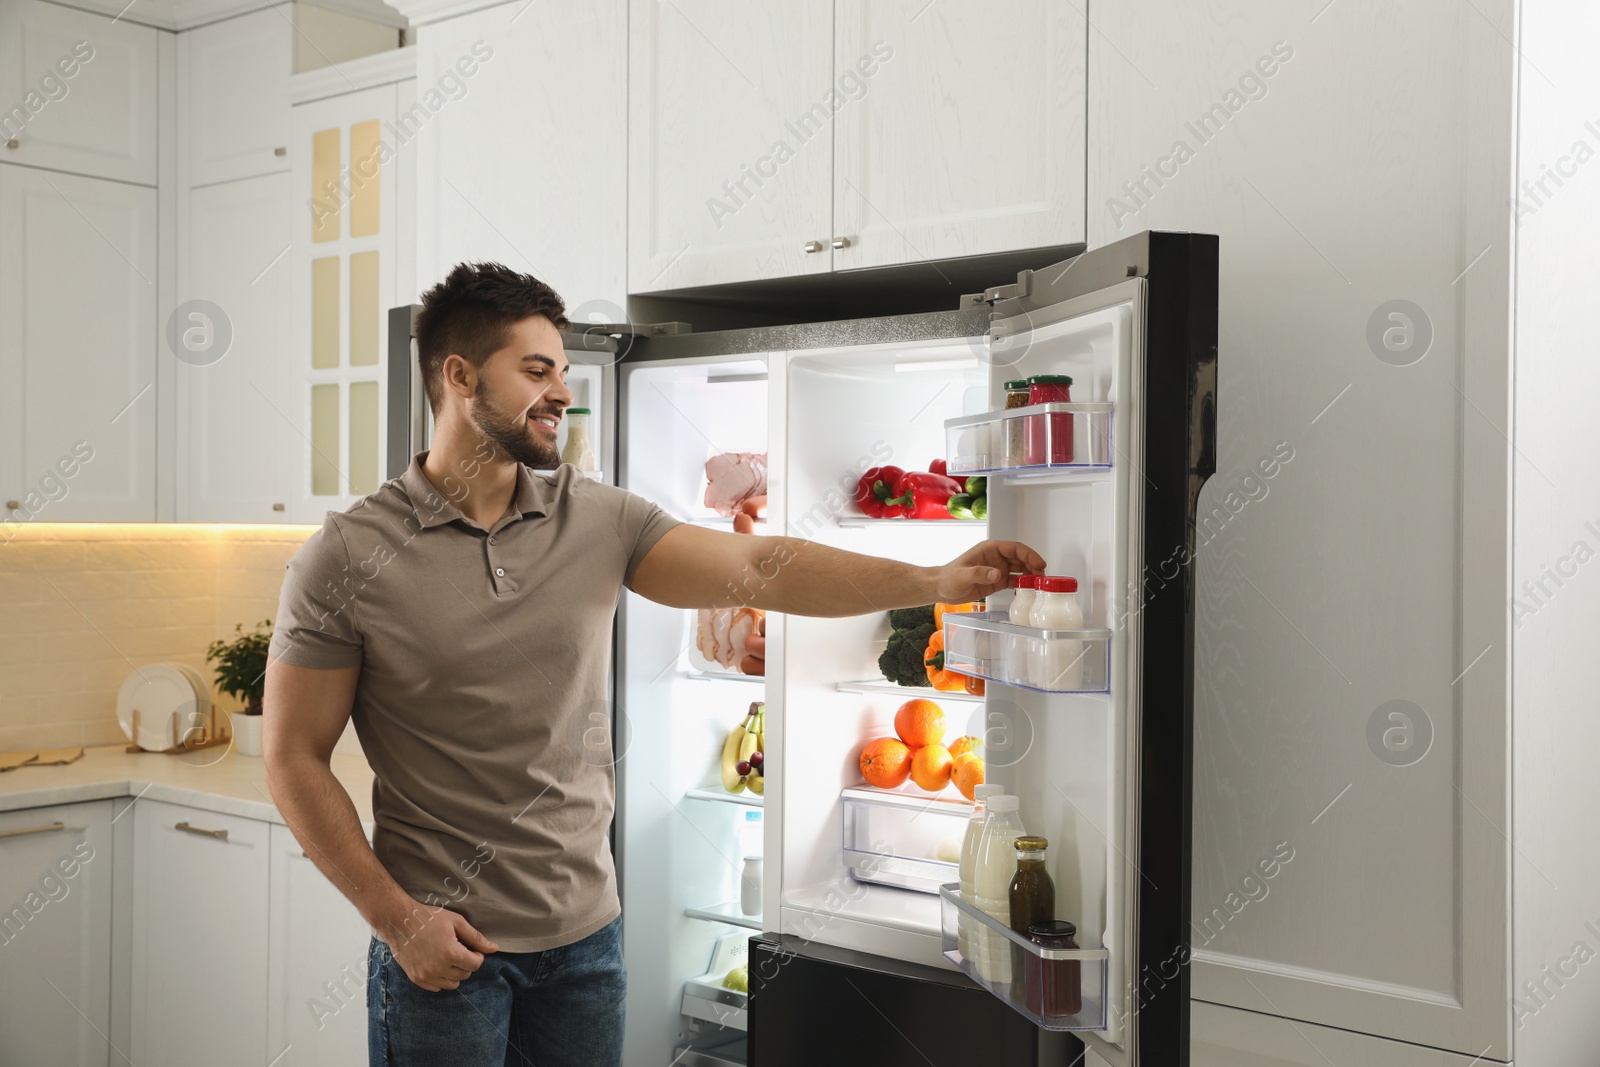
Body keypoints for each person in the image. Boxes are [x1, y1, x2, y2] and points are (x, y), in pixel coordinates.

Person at [262, 261, 1045, 1067]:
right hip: (443, 955)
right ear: (460, 377)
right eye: (536, 370)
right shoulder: (347, 554)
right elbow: (291, 758)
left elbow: (764, 565)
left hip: (587, 945)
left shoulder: (598, 518)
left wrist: (932, 578)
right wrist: (397, 919)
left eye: (564, 370)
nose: (561, 391)